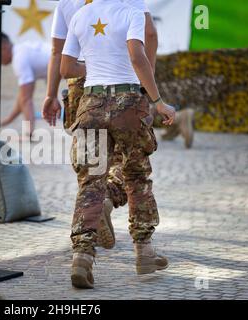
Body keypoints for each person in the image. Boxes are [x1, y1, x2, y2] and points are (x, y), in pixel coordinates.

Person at [60, 0, 176, 288]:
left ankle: (82, 258)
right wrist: (157, 102)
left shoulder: (81, 15)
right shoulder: (132, 12)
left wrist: (95, 64)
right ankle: (144, 253)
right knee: (137, 177)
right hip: (128, 104)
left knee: (91, 182)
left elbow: (66, 68)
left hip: (90, 104)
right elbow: (137, 57)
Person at [43, 0, 195, 148]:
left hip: (80, 76)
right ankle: (178, 118)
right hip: (121, 72)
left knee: (89, 144)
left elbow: (57, 52)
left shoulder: (66, 3)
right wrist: (148, 73)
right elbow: (150, 33)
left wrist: (51, 95)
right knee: (126, 120)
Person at [1, 33, 51, 136]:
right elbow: (22, 97)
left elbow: (26, 100)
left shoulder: (18, 60)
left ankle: (29, 132)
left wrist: (29, 133)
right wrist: (8, 120)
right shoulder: (21, 50)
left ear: (3, 47)